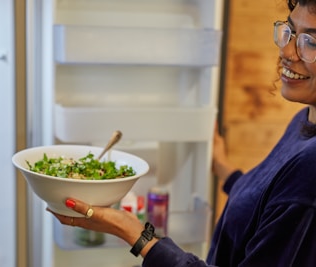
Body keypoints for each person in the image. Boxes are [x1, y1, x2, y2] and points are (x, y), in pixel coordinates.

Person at [48, 0, 316, 266]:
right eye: (289, 32)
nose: (287, 51)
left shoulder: (311, 169)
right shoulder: (304, 121)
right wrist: (225, 169)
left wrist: (136, 234)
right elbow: (272, 206)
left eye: (311, 42)